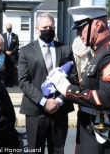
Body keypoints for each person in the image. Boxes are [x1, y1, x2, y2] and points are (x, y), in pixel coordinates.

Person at [47, 6, 110, 154]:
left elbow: (107, 98)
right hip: (93, 127)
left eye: (81, 28)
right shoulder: (100, 51)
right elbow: (91, 84)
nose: (78, 34)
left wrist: (68, 90)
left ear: (97, 25)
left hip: (106, 133)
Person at [18, 12, 78, 154]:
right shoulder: (26, 51)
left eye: (52, 27)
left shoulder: (65, 49)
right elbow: (23, 81)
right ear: (37, 29)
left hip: (60, 109)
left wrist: (58, 101)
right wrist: (44, 102)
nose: (49, 30)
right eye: (45, 27)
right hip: (35, 110)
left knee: (58, 150)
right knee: (35, 150)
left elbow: (73, 79)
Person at [2, 23, 19, 87]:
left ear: (12, 28)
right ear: (6, 28)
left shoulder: (15, 36)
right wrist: (5, 51)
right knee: (6, 69)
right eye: (8, 27)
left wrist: (11, 52)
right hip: (5, 55)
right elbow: (1, 45)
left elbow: (17, 46)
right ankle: (6, 83)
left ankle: (11, 83)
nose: (9, 28)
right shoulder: (3, 36)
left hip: (12, 56)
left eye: (10, 27)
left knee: (11, 70)